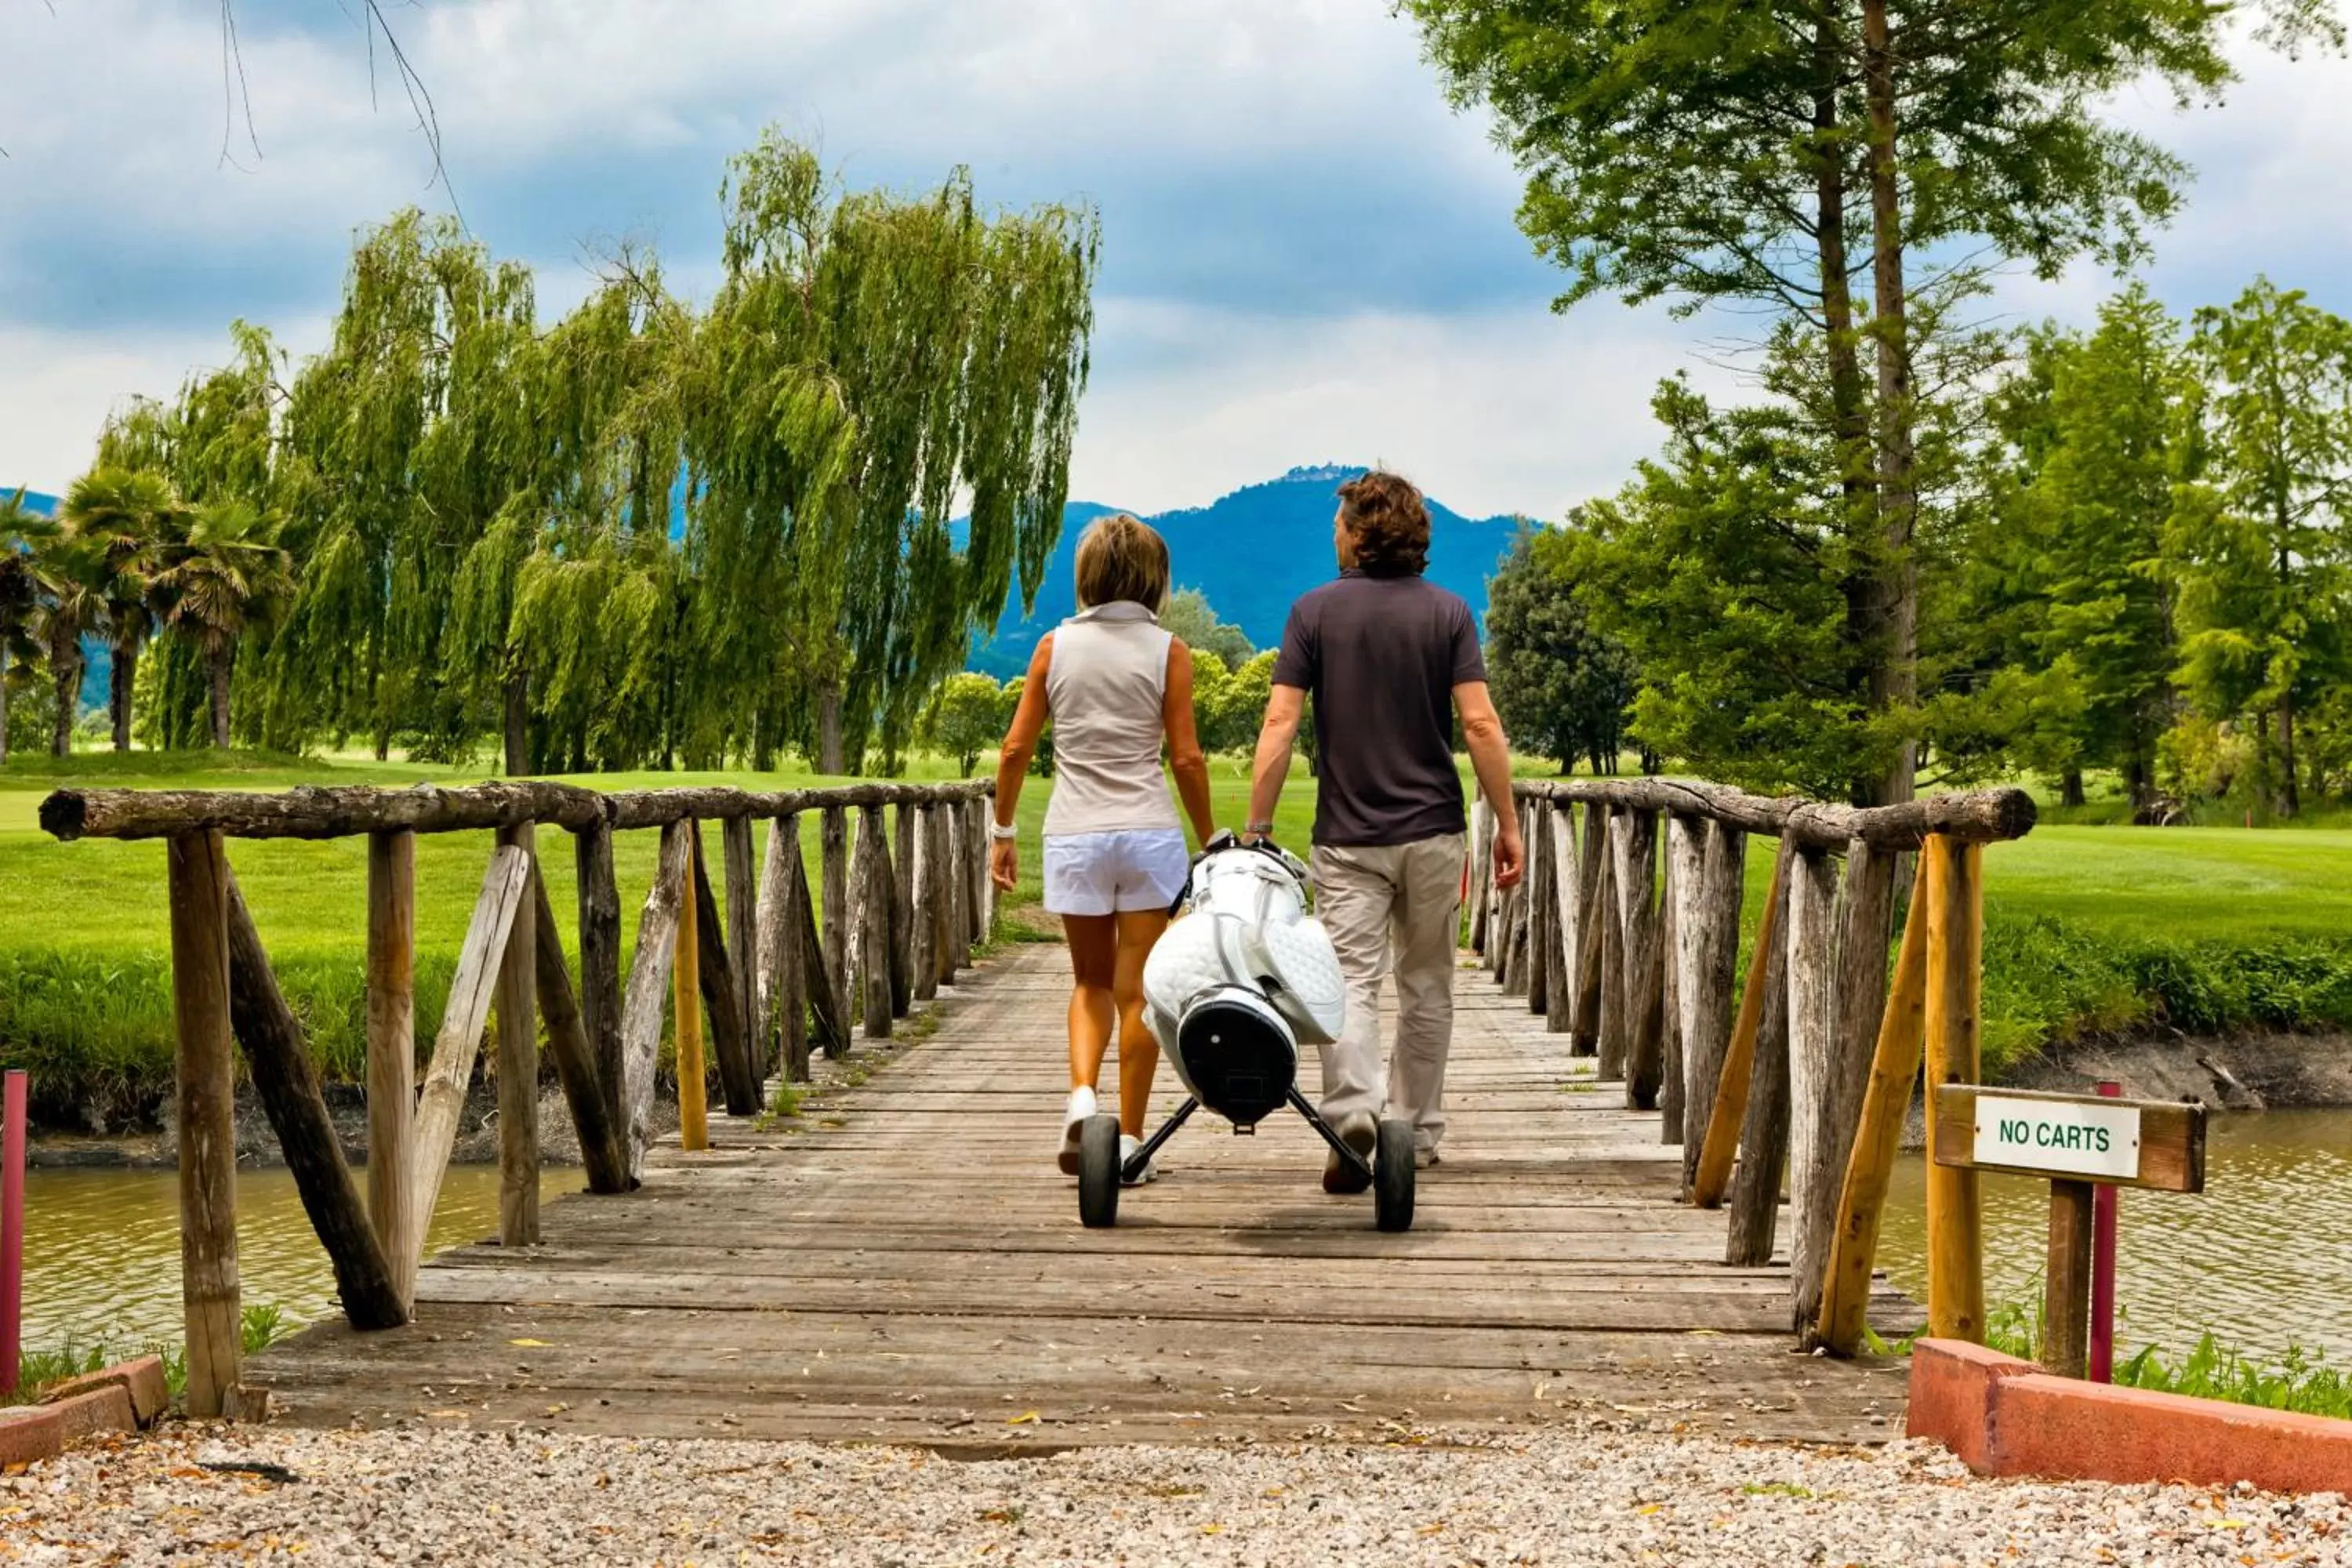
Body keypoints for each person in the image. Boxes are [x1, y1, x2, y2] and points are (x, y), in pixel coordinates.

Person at [1243, 470, 1524, 1192]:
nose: (1333, 534)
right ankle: (1417, 1129)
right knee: (1428, 982)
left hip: (1349, 838)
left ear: (1361, 531)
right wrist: (1508, 822)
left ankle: (1353, 1114)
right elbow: (1480, 723)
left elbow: (1280, 722)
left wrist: (1258, 825)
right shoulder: (1450, 614)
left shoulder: (1312, 612)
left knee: (1350, 982)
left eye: (1339, 523)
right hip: (1434, 831)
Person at [990, 514, 1218, 1185]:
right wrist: (1213, 842)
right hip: (1147, 836)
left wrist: (1002, 833)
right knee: (1139, 995)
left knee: (1088, 983)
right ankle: (1129, 1144)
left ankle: (1082, 1097)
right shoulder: (1169, 651)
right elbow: (1185, 755)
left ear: (1087, 578)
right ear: (1154, 580)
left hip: (1076, 835)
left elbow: (1014, 750)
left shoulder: (1053, 648)